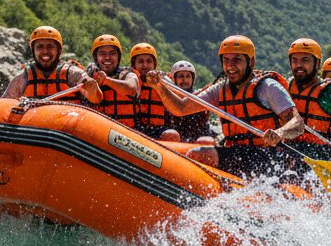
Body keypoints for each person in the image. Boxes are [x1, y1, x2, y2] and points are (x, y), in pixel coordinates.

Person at [148, 35, 303, 178]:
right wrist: (159, 87)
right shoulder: (219, 89)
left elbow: (297, 123)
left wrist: (280, 132)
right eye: (226, 60)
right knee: (199, 153)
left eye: (236, 60)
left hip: (268, 155)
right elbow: (181, 108)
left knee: (199, 155)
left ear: (251, 62)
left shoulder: (268, 87)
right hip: (237, 153)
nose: (230, 66)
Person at [2, 25, 102, 102]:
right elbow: (4, 104)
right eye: (40, 47)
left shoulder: (72, 74)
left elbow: (96, 99)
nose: (45, 51)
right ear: (33, 51)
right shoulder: (23, 77)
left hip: (66, 121)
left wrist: (91, 87)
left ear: (59, 51)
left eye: (50, 47)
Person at [84, 33, 139, 126]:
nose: (107, 57)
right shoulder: (89, 75)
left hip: (124, 130)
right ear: (96, 58)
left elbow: (131, 88)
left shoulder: (127, 74)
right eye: (102, 54)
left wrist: (106, 80)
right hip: (98, 129)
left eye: (112, 53)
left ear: (118, 57)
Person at [161, 60, 213, 143]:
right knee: (170, 134)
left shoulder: (202, 95)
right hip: (175, 140)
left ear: (193, 80)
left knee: (206, 140)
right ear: (174, 79)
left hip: (198, 139)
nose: (184, 80)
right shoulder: (168, 96)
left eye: (188, 76)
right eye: (181, 76)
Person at [129, 43, 170, 139]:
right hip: (133, 130)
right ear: (134, 65)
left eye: (149, 61)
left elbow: (172, 91)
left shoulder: (162, 79)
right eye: (140, 61)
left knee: (171, 134)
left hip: (158, 131)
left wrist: (160, 82)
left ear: (154, 64)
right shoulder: (128, 78)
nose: (145, 65)